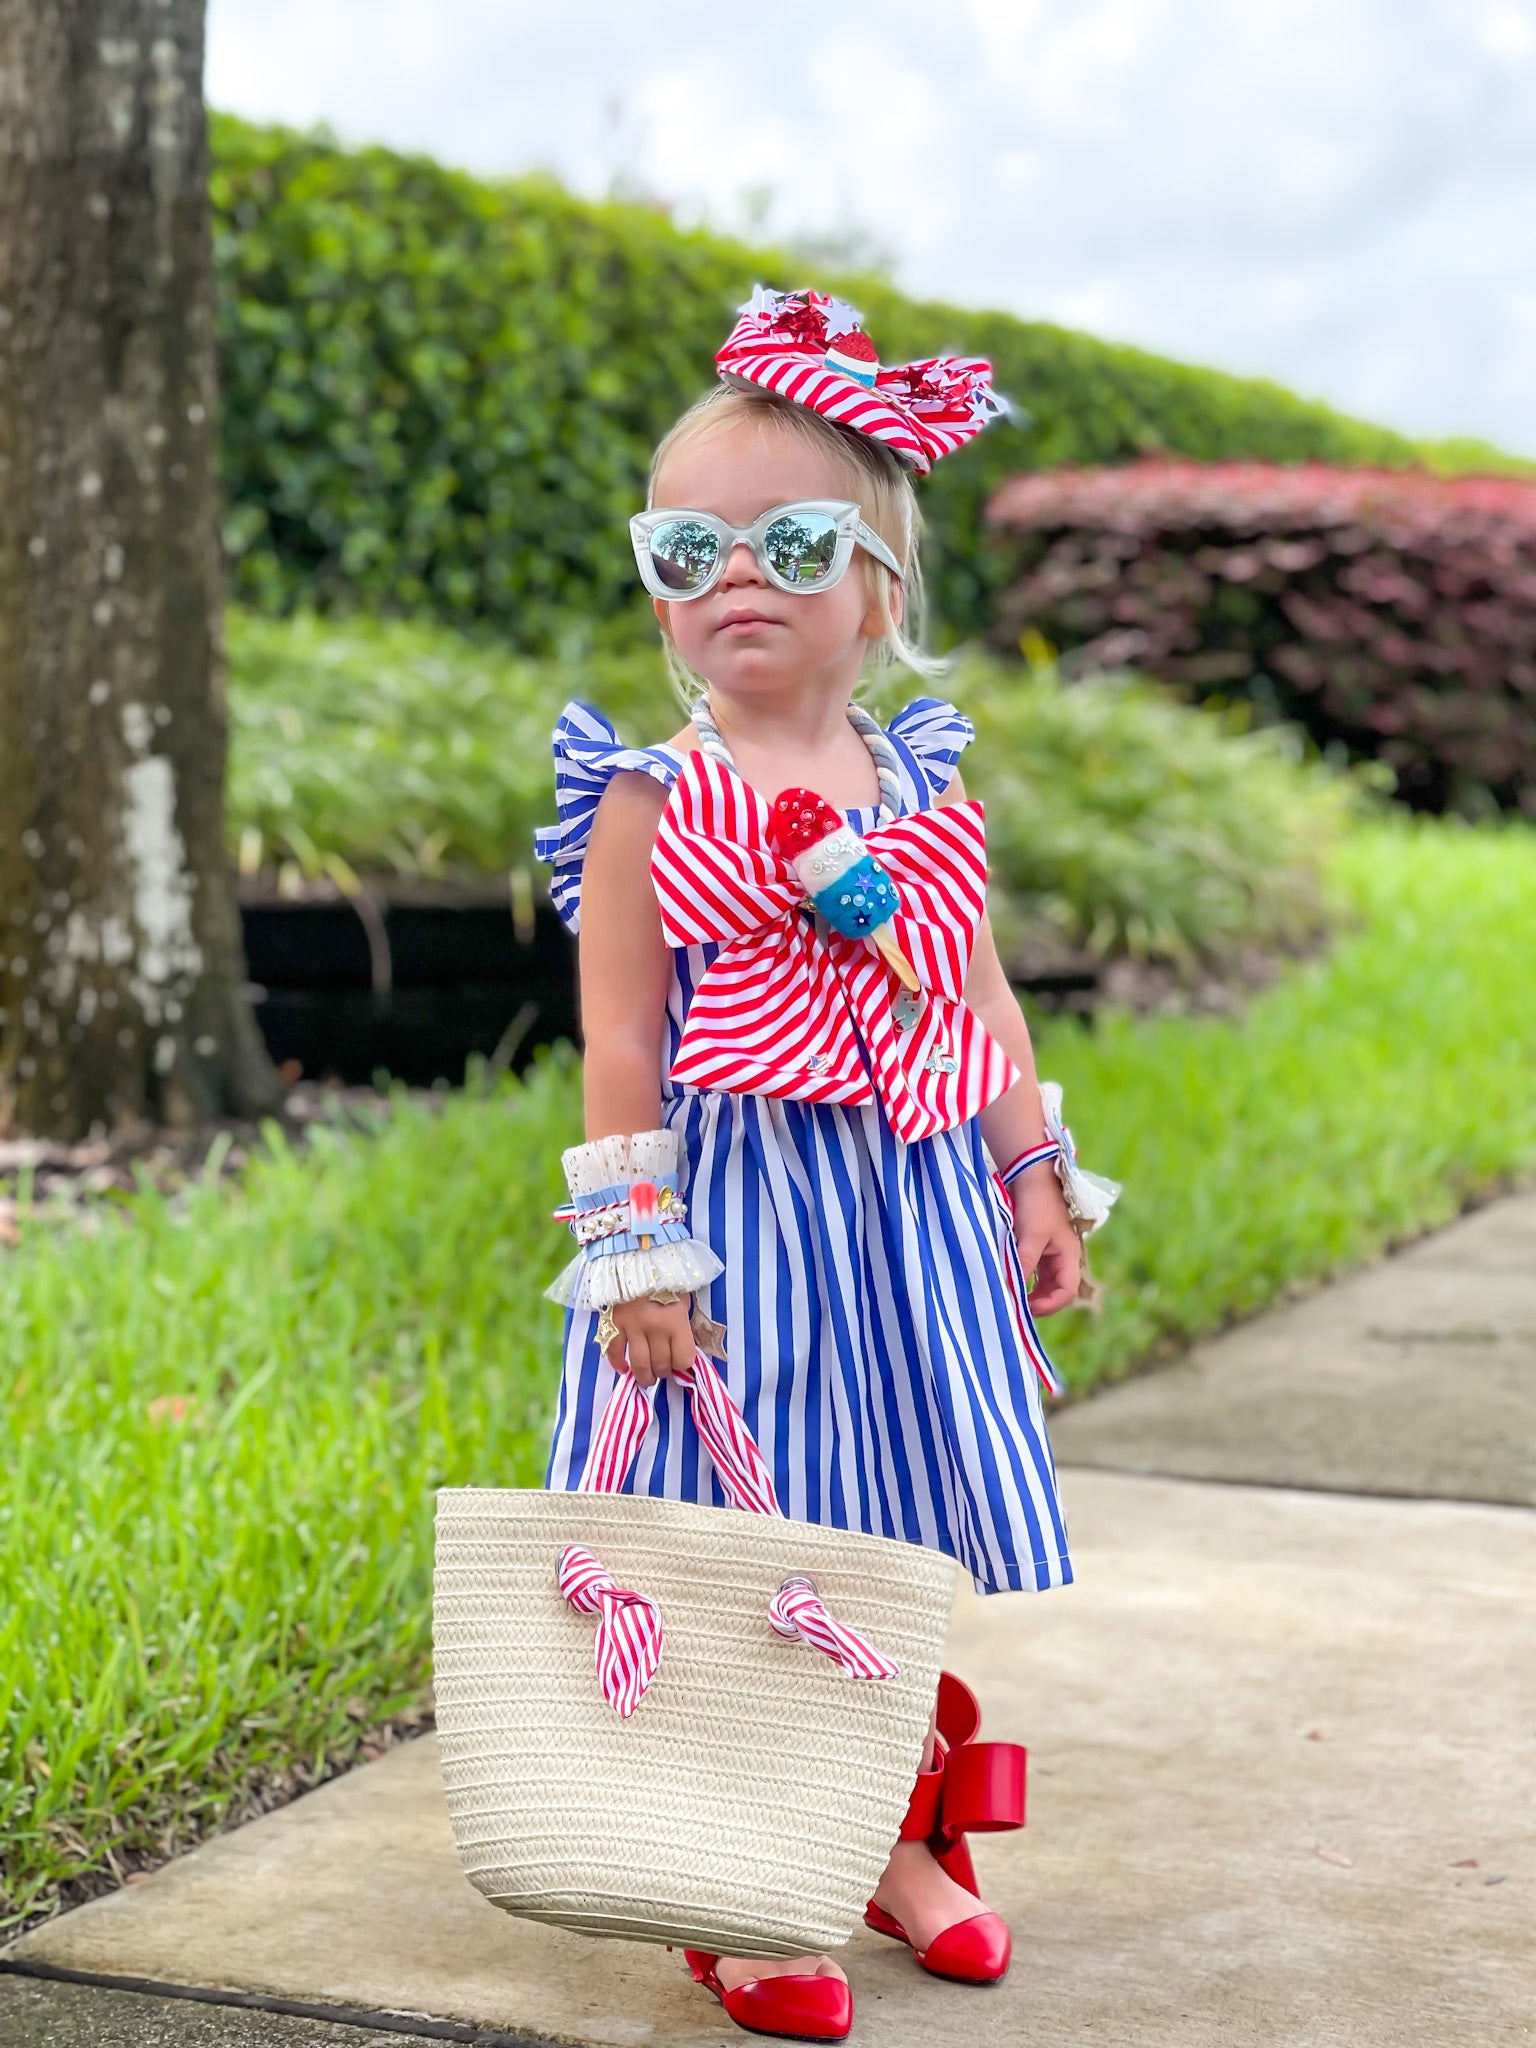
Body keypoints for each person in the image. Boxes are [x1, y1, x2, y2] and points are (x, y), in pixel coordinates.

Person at [533, 285, 1118, 2042]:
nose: (738, 577)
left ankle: (876, 1835)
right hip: (734, 1229)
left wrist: (1034, 1174)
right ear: (655, 585)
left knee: (890, 1529)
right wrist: (638, 1258)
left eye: (792, 540)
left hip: (908, 1213)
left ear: (878, 587)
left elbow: (976, 987)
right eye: (686, 544)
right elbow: (619, 1045)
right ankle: (741, 1869)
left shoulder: (908, 769)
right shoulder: (648, 797)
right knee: (747, 1528)